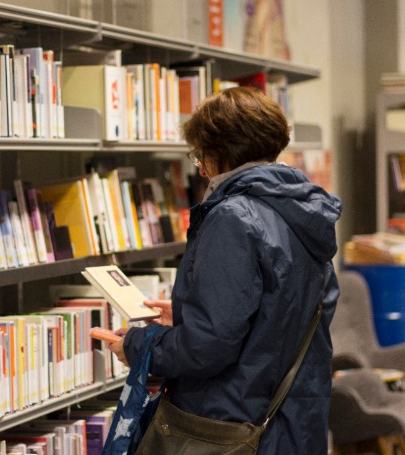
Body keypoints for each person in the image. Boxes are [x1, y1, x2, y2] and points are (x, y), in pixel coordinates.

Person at [108, 86, 342, 454]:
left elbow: (207, 347)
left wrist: (139, 345)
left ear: (216, 153)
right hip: (294, 420)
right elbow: (285, 312)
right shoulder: (302, 210)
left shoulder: (233, 217)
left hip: (233, 426)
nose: (200, 168)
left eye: (199, 156)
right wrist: (190, 314)